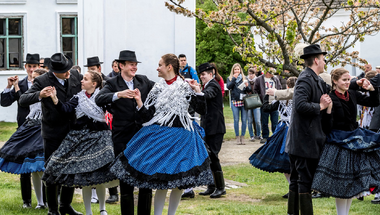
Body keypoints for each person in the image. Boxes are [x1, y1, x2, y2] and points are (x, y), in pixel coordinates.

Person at [108, 54, 213, 215]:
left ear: (169, 67)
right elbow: (147, 116)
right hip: (161, 137)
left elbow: (202, 110)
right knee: (160, 181)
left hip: (182, 138)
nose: (157, 68)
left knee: (179, 183)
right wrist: (139, 101)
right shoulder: (157, 88)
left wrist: (198, 91)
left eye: (160, 65)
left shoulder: (185, 86)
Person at [43, 70, 117, 215]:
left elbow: (113, 109)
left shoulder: (102, 97)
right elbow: (65, 109)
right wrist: (55, 98)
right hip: (78, 138)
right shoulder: (78, 97)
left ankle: (102, 209)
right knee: (55, 165)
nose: (81, 81)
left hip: (99, 139)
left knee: (97, 176)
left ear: (94, 84)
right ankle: (57, 208)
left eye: (85, 79)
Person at [19, 53, 83, 215]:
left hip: (73, 131)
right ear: (54, 71)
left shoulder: (75, 75)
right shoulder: (42, 81)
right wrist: (40, 95)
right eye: (64, 71)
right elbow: (23, 99)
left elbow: (92, 83)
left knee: (71, 169)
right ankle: (52, 209)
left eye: (69, 69)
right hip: (53, 132)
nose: (68, 73)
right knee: (52, 170)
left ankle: (65, 205)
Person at [311, 68, 380, 215]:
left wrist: (372, 89)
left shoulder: (352, 94)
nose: (348, 82)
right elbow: (326, 127)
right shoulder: (329, 97)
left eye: (349, 79)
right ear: (335, 81)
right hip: (338, 144)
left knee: (351, 185)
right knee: (341, 185)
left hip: (354, 141)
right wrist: (328, 110)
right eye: (344, 80)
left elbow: (374, 102)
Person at [95, 50, 155, 215]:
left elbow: (160, 91)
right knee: (126, 184)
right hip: (122, 138)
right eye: (131, 64)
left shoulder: (143, 81)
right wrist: (118, 95)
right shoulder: (112, 83)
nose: (134, 67)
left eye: (135, 64)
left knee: (145, 183)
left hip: (143, 138)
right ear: (121, 66)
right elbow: (99, 99)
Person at [285, 44, 330, 215]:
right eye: (323, 58)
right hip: (303, 139)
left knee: (297, 179)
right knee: (302, 180)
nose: (325, 61)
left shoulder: (316, 78)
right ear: (316, 60)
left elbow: (331, 89)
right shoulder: (305, 78)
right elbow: (301, 105)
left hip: (303, 139)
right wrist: (320, 106)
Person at [0, 68, 48, 209]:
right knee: (30, 168)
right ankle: (35, 202)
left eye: (35, 79)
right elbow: (18, 101)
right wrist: (12, 86)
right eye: (32, 78)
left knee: (41, 167)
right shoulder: (25, 87)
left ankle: (48, 201)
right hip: (28, 128)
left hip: (43, 130)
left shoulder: (48, 91)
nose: (32, 81)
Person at [249, 77, 297, 199]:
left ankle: (294, 187)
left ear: (287, 87)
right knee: (289, 162)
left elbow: (266, 108)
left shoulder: (285, 99)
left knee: (287, 161)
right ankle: (293, 188)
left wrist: (266, 96)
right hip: (289, 130)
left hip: (286, 130)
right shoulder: (293, 99)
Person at [194, 62, 227, 198]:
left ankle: (220, 187)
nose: (201, 77)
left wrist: (197, 91)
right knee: (208, 157)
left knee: (213, 156)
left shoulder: (213, 85)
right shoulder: (207, 85)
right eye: (200, 75)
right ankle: (211, 185)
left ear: (211, 73)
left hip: (216, 127)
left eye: (203, 74)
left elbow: (207, 95)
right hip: (208, 127)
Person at [254, 68, 282, 144]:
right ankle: (265, 136)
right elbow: (255, 90)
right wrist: (261, 97)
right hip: (265, 103)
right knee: (264, 121)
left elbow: (280, 88)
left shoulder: (276, 79)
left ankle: (275, 136)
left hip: (274, 103)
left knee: (275, 121)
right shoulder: (259, 79)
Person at [226, 63, 251, 145]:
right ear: (233, 70)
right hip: (234, 101)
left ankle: (242, 137)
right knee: (236, 120)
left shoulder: (245, 78)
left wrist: (247, 86)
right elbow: (229, 87)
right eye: (235, 69)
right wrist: (234, 79)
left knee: (244, 120)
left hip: (244, 101)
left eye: (238, 69)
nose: (237, 71)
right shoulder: (229, 78)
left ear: (240, 70)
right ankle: (237, 137)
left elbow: (249, 90)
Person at [246, 67, 261, 141]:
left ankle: (258, 134)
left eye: (252, 74)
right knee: (250, 120)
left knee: (257, 120)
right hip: (248, 101)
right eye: (249, 74)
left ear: (255, 74)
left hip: (256, 101)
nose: (251, 75)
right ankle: (251, 135)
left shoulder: (258, 80)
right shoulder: (245, 80)